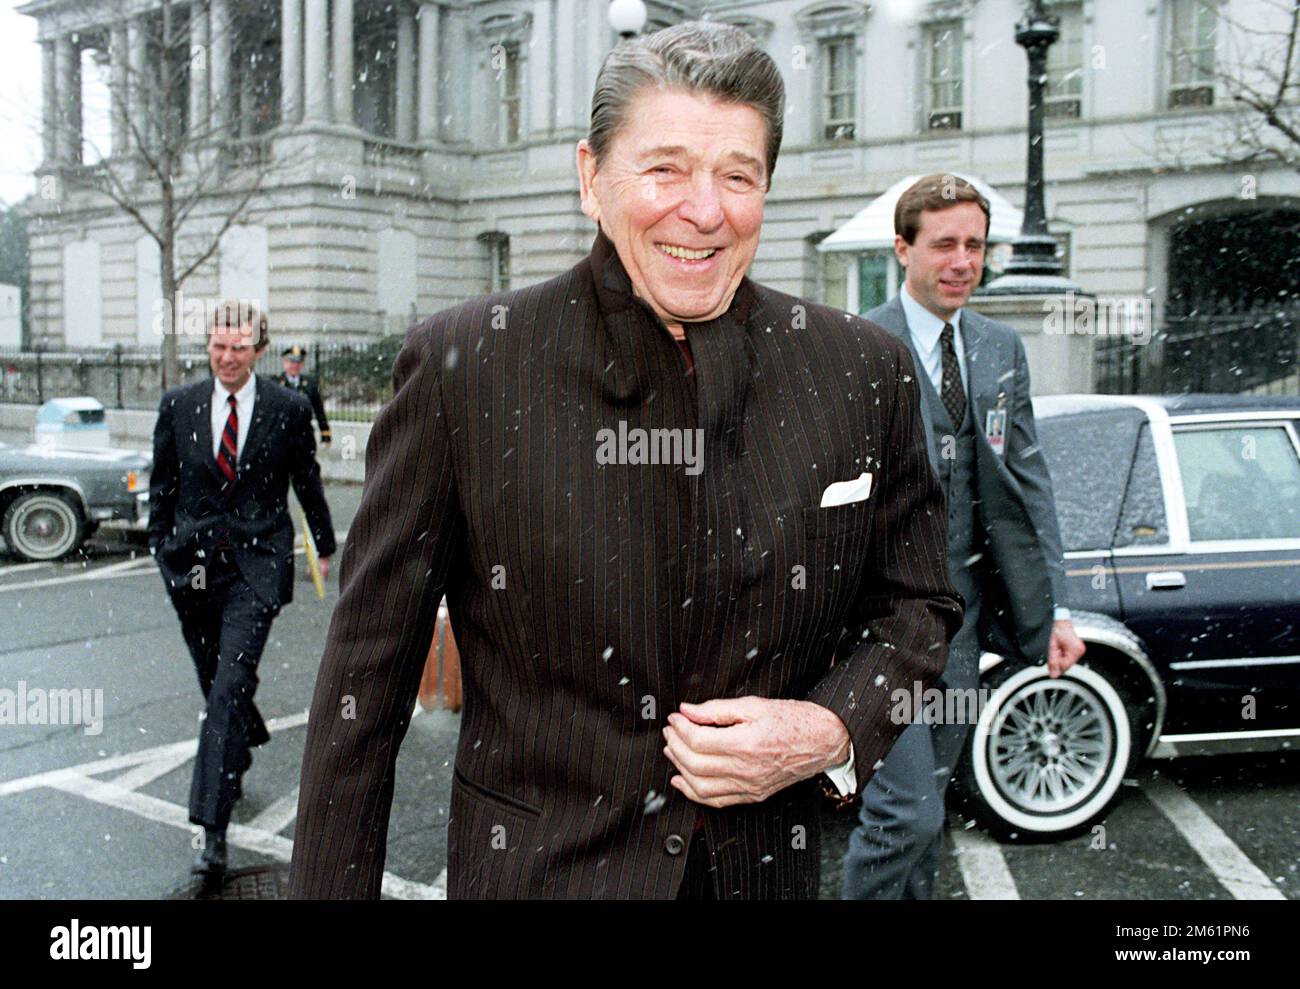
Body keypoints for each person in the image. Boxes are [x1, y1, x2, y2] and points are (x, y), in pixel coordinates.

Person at [288, 22, 962, 901]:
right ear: (589, 177)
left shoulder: (857, 368)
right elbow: (363, 693)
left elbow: (919, 604)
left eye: (736, 175)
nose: (705, 210)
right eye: (666, 169)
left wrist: (830, 726)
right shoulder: (469, 368)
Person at [840, 174, 1087, 900]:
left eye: (974, 245)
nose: (962, 261)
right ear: (902, 248)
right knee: (903, 814)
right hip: (876, 629)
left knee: (929, 810)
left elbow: (1028, 483)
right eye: (943, 243)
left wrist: (1057, 608)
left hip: (961, 625)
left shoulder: (1000, 346)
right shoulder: (855, 346)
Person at [149, 301, 336, 884]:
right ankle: (245, 733)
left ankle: (212, 829)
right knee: (217, 681)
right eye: (217, 347)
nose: (227, 358)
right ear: (207, 346)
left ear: (259, 350)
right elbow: (163, 484)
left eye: (238, 348)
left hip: (256, 568)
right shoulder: (178, 405)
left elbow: (305, 479)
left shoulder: (288, 408)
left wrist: (324, 544)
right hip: (193, 570)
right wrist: (162, 547)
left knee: (227, 686)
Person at [274, 345, 332, 446]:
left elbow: (319, 410)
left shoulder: (310, 385)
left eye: (298, 362)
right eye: (292, 362)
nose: (295, 365)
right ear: (285, 363)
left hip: (304, 436)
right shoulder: (275, 384)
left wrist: (325, 432)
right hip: (281, 435)